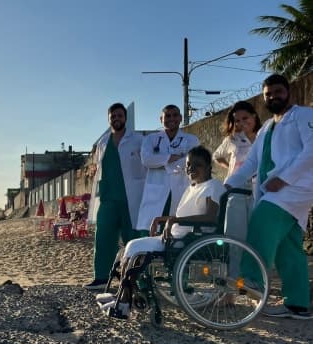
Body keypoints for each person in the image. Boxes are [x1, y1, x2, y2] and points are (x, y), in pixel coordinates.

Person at [225, 73, 313, 319]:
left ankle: (252, 279)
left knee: (261, 224)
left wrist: (284, 178)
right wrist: (227, 186)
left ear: (289, 93)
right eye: (268, 94)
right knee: (289, 246)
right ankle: (298, 304)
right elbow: (252, 161)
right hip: (275, 189)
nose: (273, 97)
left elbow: (312, 150)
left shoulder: (304, 116)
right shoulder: (267, 127)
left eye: (278, 92)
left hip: (293, 188)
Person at [102, 146, 226, 319]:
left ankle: (124, 302)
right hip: (177, 235)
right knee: (129, 251)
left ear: (208, 168)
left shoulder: (213, 186)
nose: (191, 169)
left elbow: (210, 217)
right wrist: (162, 219)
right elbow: (183, 216)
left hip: (189, 239)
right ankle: (123, 297)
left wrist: (173, 221)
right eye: (189, 165)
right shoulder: (193, 188)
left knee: (134, 247)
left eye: (197, 165)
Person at [84, 103, 146, 290]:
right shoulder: (103, 142)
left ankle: (138, 280)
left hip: (131, 198)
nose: (116, 119)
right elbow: (98, 167)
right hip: (107, 197)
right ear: (109, 119)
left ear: (125, 118)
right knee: (103, 238)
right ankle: (102, 277)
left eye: (119, 115)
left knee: (133, 239)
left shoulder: (138, 140)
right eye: (113, 116)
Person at [213, 101, 262, 282]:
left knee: (256, 239)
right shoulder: (232, 140)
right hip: (236, 191)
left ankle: (253, 281)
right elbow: (216, 156)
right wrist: (231, 169)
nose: (241, 123)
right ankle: (233, 282)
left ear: (254, 117)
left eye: (245, 118)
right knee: (234, 238)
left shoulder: (263, 137)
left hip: (258, 191)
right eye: (237, 120)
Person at [136, 105, 200, 236]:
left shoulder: (191, 140)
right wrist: (172, 157)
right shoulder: (150, 139)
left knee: (176, 231)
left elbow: (191, 161)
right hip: (156, 189)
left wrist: (160, 162)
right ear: (161, 119)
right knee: (153, 230)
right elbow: (146, 160)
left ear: (181, 118)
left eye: (175, 115)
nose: (171, 118)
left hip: (180, 187)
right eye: (168, 116)